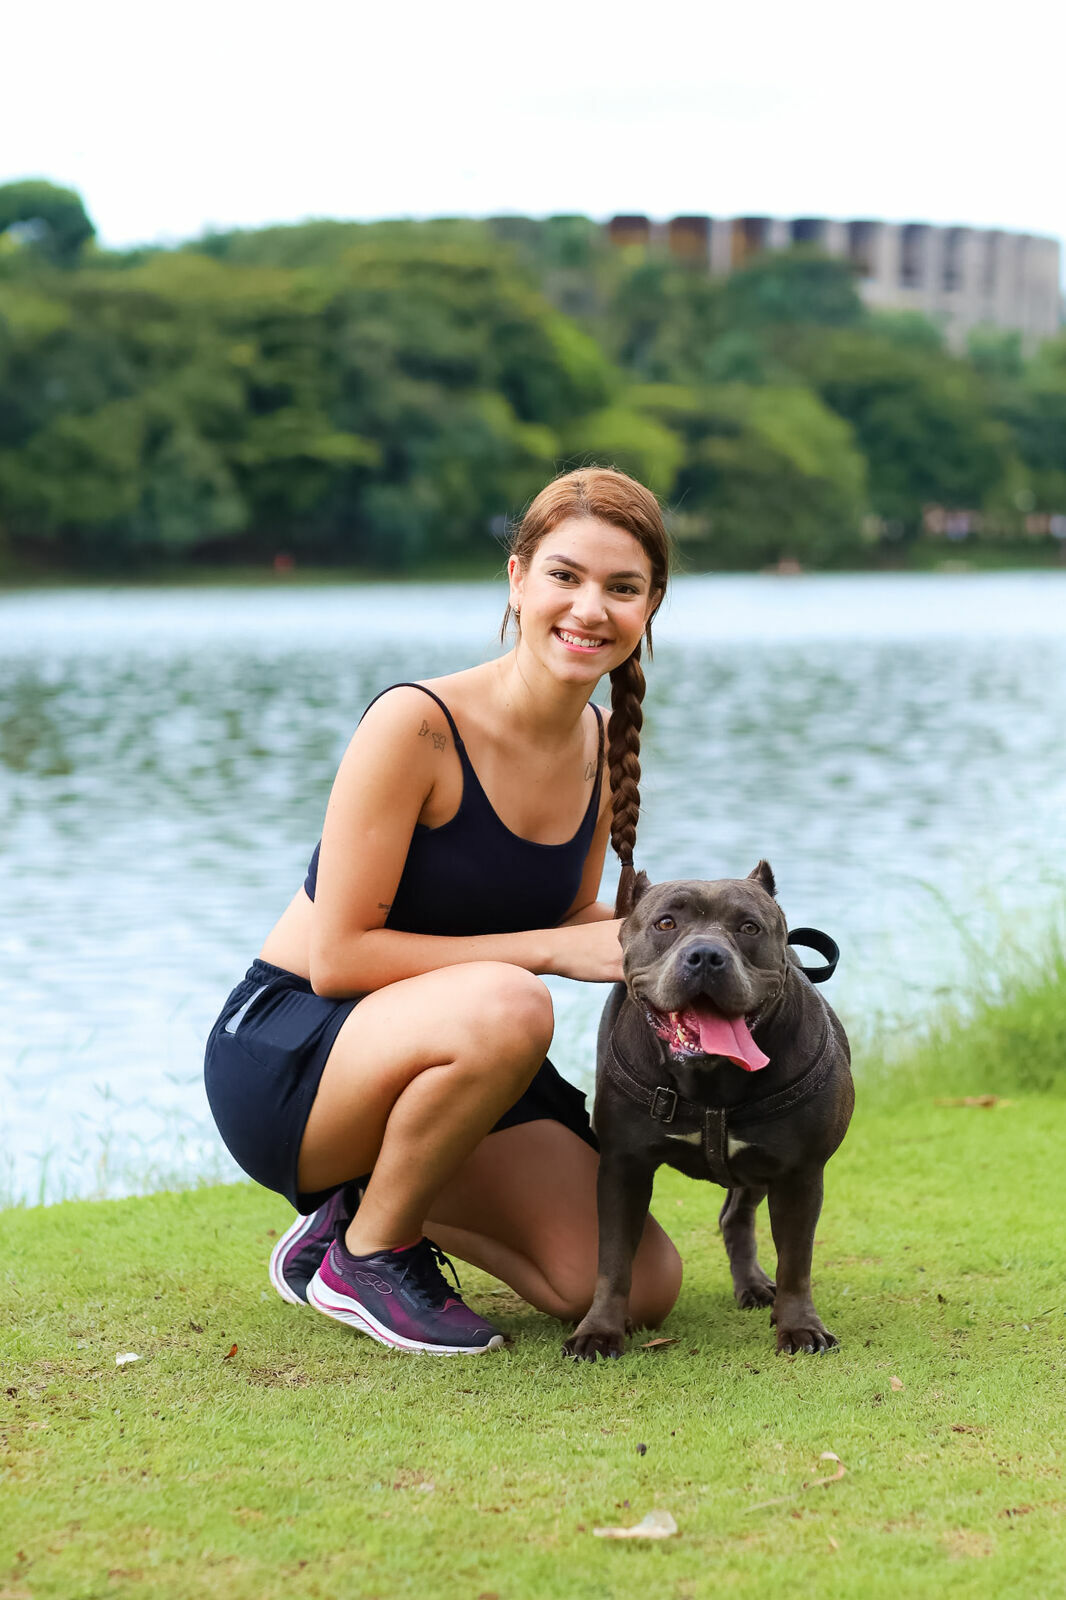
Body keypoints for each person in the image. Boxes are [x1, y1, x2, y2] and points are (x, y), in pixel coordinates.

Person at [204, 466, 683, 1354]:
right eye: (564, 576)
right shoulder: (416, 725)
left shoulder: (598, 743)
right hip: (297, 1053)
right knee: (513, 1001)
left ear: (651, 605)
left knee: (636, 1285)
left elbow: (578, 912)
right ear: (517, 579)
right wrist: (543, 953)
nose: (590, 609)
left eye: (623, 588)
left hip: (460, 1060)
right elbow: (339, 959)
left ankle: (359, 1206)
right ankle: (369, 1254)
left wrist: (692, 944)